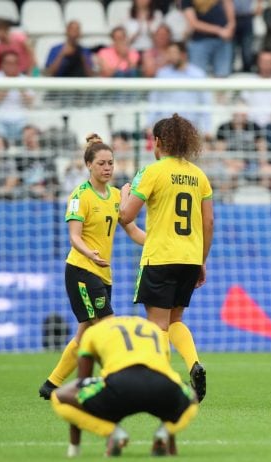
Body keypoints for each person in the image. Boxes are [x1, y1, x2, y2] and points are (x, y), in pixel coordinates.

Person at [38, 134, 146, 400]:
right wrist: (91, 254)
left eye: (111, 163)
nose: (107, 168)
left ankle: (52, 384)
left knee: (85, 332)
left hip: (102, 272)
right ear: (89, 165)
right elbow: (74, 237)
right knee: (108, 326)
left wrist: (159, 244)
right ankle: (118, 380)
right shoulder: (79, 196)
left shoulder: (114, 196)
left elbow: (131, 230)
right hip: (81, 271)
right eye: (101, 163)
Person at [119, 114, 214, 403]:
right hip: (189, 257)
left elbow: (126, 215)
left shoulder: (152, 172)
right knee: (176, 319)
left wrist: (125, 193)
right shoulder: (199, 175)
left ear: (158, 141)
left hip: (160, 256)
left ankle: (162, 381)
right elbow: (208, 222)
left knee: (157, 324)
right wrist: (201, 260)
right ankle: (193, 363)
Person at [50, 315, 199, 458]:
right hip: (161, 388)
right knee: (192, 397)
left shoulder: (92, 332)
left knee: (59, 397)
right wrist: (171, 444)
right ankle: (164, 432)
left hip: (120, 389)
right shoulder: (151, 328)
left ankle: (113, 433)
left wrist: (74, 446)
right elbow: (166, 373)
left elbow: (80, 386)